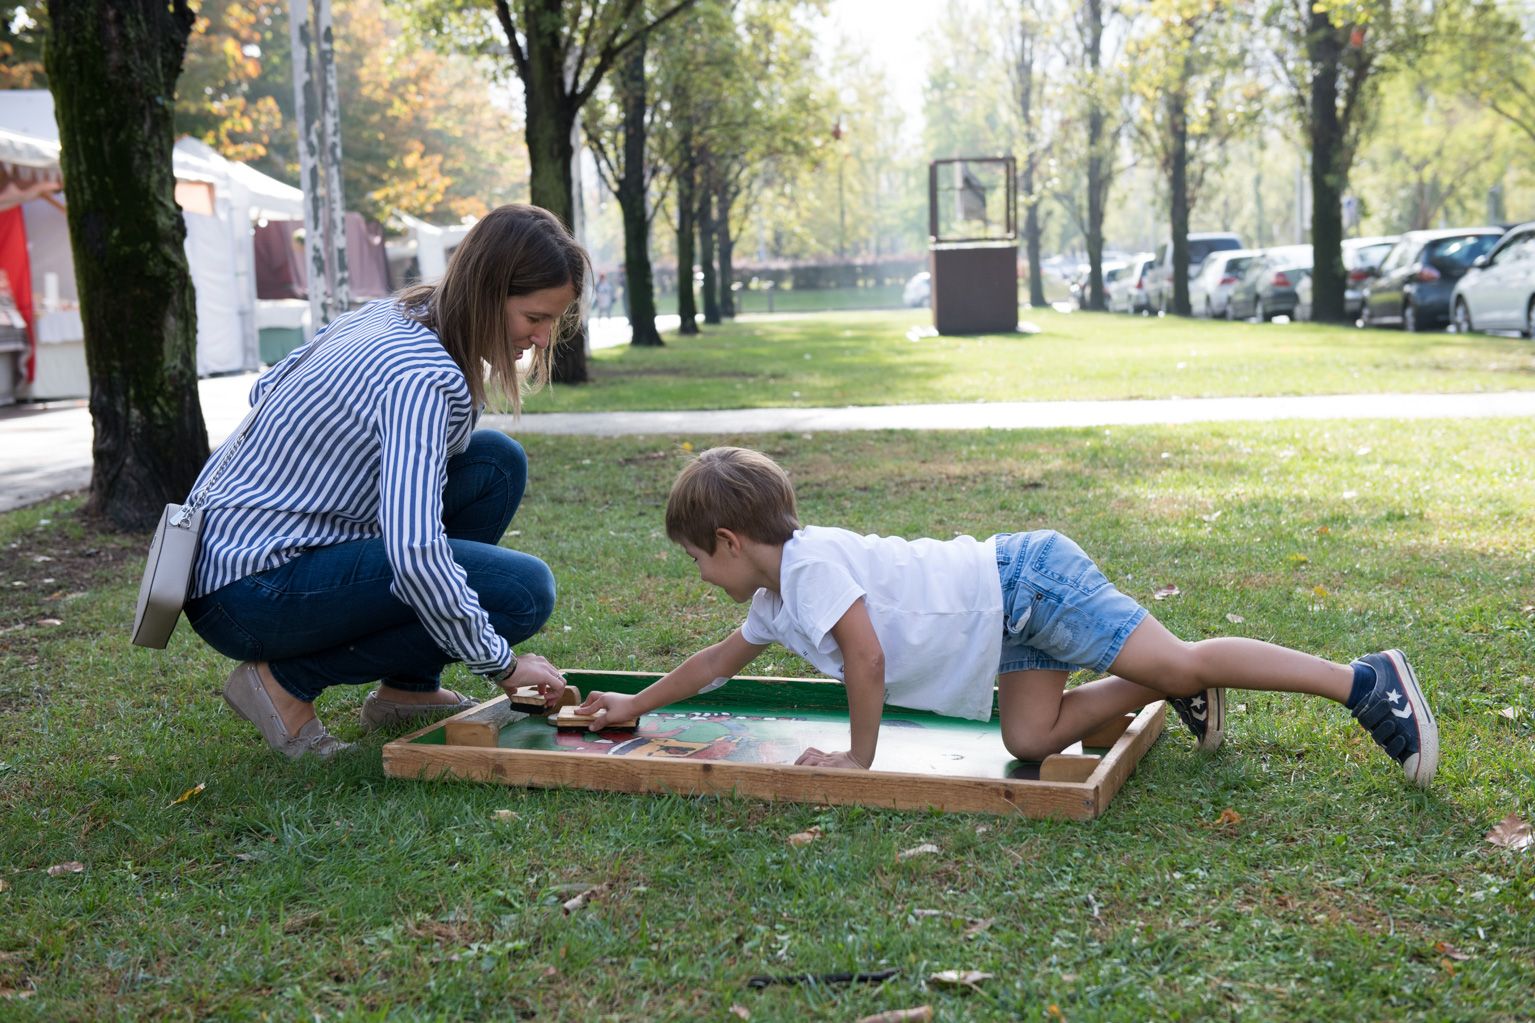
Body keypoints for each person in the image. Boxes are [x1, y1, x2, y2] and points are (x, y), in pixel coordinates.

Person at [578, 447, 1439, 786]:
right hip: (1002, 623)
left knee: (1178, 656)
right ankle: (1166, 688)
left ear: (729, 541)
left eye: (696, 558)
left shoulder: (809, 566)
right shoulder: (776, 597)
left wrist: (858, 756)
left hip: (1025, 582)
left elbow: (866, 660)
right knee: (1031, 738)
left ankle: (1362, 681)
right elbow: (714, 663)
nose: (700, 576)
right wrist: (633, 706)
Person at [184, 204, 584, 759]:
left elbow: (267, 390)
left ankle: (408, 689)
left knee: (494, 463)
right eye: (533, 317)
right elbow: (415, 555)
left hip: (227, 558)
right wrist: (504, 665)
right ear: (488, 293)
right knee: (522, 593)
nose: (542, 338)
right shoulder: (422, 376)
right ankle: (285, 684)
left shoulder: (395, 313)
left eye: (551, 322)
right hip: (250, 591)